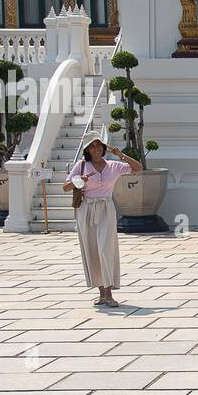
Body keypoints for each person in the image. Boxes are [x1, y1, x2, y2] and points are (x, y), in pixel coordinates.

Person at [63, 132, 140, 307]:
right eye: (92, 146)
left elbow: (138, 168)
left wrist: (120, 155)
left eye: (99, 145)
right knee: (92, 250)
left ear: (104, 148)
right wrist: (78, 180)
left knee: (106, 248)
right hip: (86, 210)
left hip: (105, 208)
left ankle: (109, 292)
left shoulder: (113, 166)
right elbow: (65, 187)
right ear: (87, 150)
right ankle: (101, 293)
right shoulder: (81, 166)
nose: (96, 148)